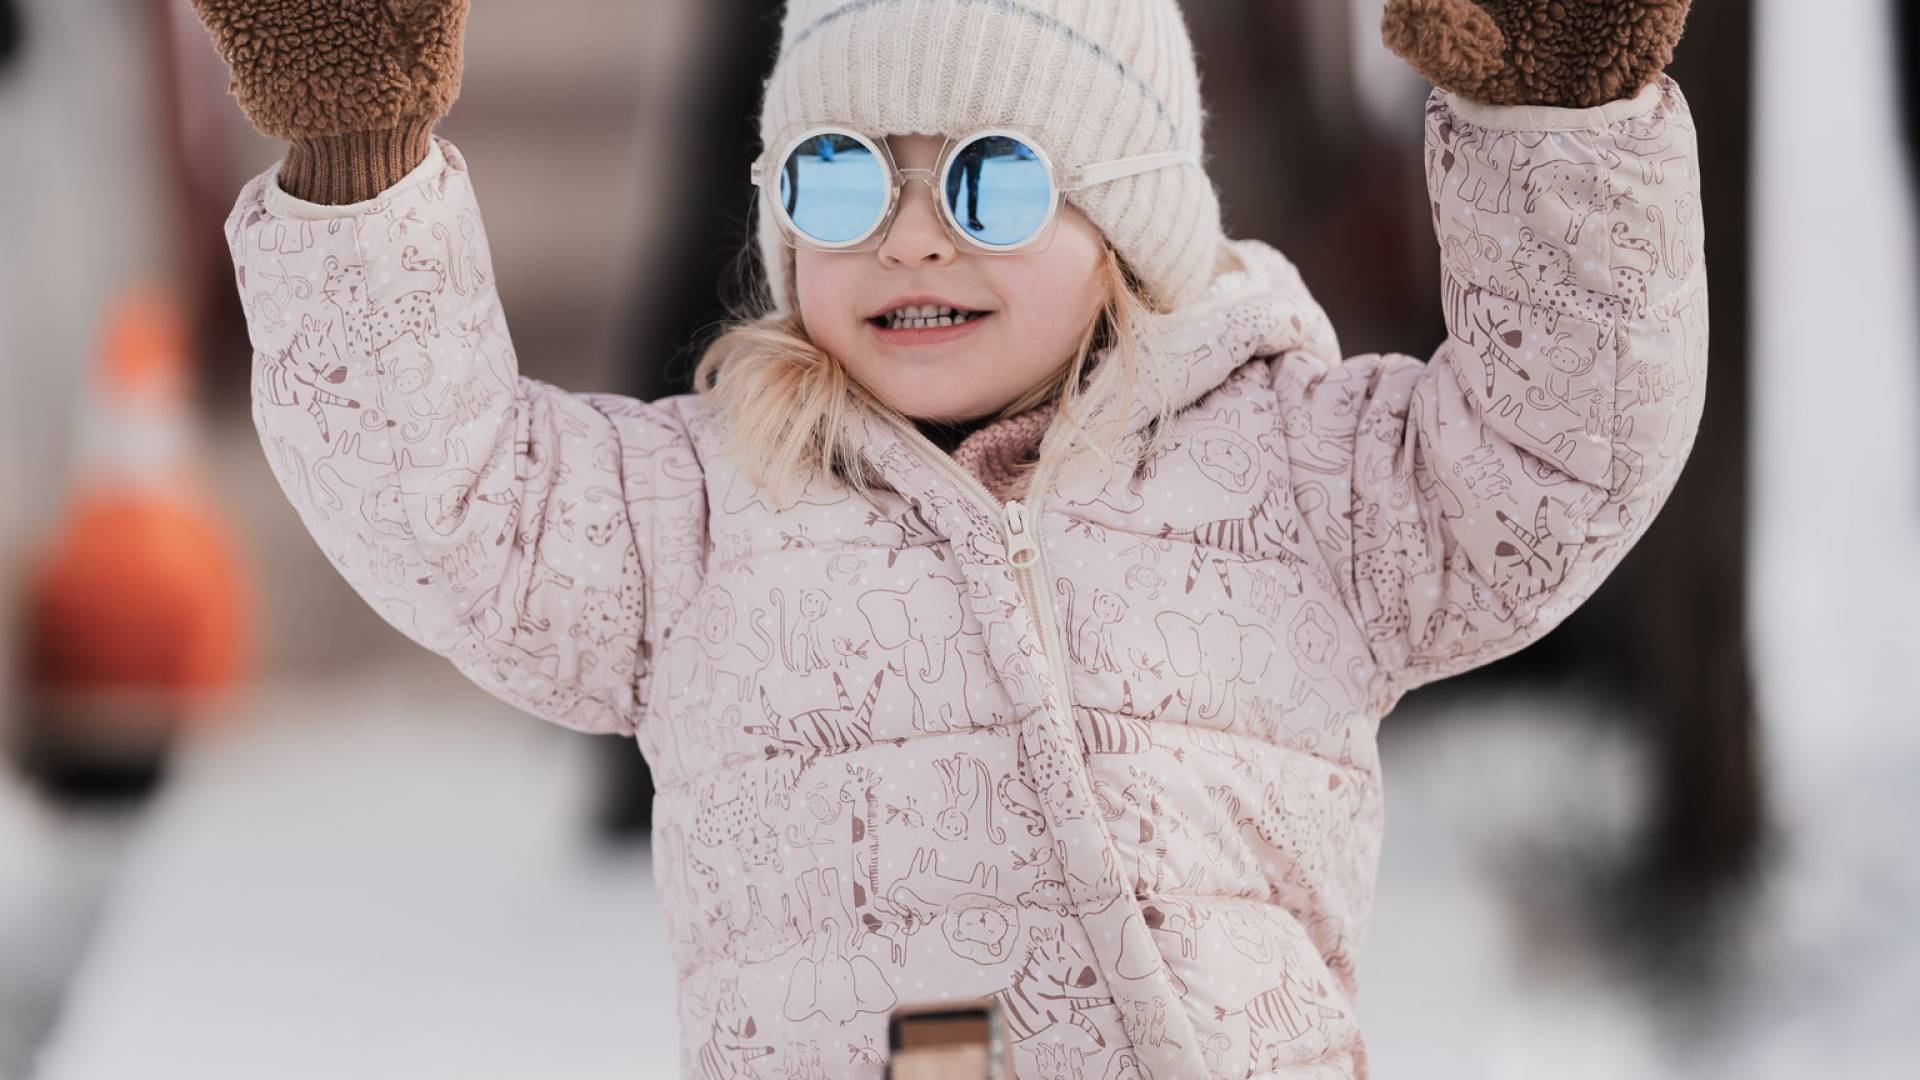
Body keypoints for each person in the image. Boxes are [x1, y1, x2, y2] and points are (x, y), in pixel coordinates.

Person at [186, 0, 1704, 1076]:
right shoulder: (703, 514)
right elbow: (438, 496)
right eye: (843, 178)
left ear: (1127, 220)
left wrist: (1552, 114)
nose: (911, 235)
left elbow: (1558, 447)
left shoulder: (1294, 475)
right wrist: (359, 154)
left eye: (988, 177)